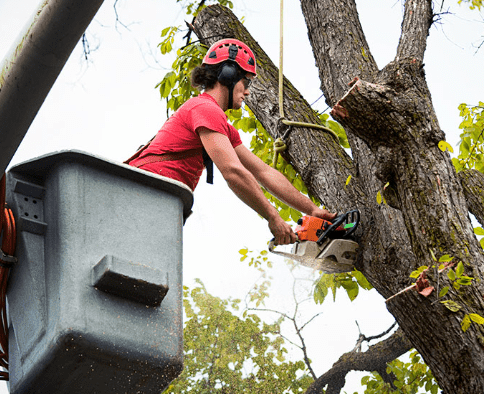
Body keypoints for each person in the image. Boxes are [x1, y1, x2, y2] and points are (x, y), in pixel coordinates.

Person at [127, 38, 335, 245]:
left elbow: (263, 172)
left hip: (157, 199)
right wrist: (273, 217)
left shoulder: (220, 125)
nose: (247, 91)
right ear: (228, 75)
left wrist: (312, 210)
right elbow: (233, 172)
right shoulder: (205, 109)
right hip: (140, 194)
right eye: (246, 82)